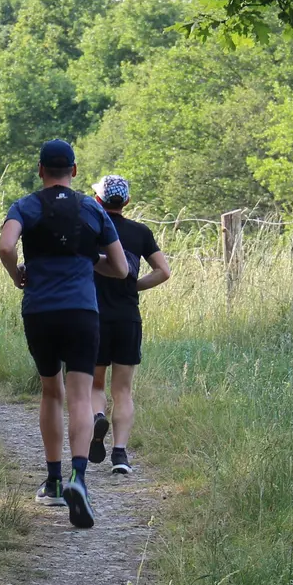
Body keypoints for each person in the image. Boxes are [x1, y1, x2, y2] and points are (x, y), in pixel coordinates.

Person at [0, 139, 128, 529]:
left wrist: (17, 273)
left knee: (51, 392)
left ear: (40, 170)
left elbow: (6, 246)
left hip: (39, 311)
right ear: (74, 171)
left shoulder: (26, 206)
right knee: (80, 397)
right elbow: (121, 268)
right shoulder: (92, 208)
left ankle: (53, 481)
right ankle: (78, 478)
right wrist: (89, 258)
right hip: (82, 313)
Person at [88, 174, 171, 474]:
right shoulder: (140, 232)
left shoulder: (89, 230)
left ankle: (98, 417)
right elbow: (163, 271)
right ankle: (120, 455)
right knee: (123, 390)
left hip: (92, 316)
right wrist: (134, 285)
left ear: (98, 200)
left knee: (95, 384)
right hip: (127, 317)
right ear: (127, 201)